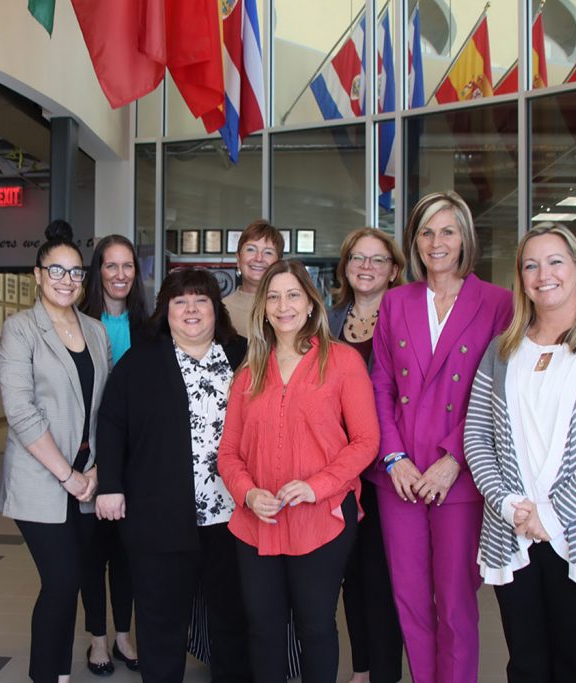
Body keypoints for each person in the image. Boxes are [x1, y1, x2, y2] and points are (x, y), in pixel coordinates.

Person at [464, 223, 576, 683]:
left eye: (555, 261)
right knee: (525, 665)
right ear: (521, 279)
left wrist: (554, 512)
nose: (543, 274)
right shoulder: (502, 350)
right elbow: (476, 437)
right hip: (515, 531)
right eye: (530, 265)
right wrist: (506, 503)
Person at [370, 191, 512, 683]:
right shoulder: (395, 301)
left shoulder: (497, 303)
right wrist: (393, 458)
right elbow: (382, 385)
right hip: (402, 478)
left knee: (455, 603)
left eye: (448, 231)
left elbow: (498, 392)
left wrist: (454, 459)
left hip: (460, 475)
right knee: (409, 600)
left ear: (465, 238)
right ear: (414, 241)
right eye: (427, 232)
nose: (436, 242)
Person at [218, 260, 380, 683]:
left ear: (311, 303)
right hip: (258, 521)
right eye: (273, 296)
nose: (282, 305)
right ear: (263, 307)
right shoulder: (249, 373)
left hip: (321, 519)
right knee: (264, 629)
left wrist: (316, 487)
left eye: (293, 295)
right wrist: (247, 493)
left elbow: (366, 441)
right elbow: (229, 453)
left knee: (315, 625)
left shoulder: (343, 362)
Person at [96, 268, 250, 683]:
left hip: (233, 516)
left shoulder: (243, 355)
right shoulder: (142, 360)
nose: (191, 309)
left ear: (217, 309)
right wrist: (109, 485)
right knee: (161, 619)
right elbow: (111, 423)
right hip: (159, 517)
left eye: (201, 300)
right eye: (180, 301)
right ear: (165, 310)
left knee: (232, 618)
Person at [0, 220, 111, 683]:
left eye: (76, 272)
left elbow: (107, 408)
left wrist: (100, 468)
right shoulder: (21, 329)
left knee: (76, 582)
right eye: (57, 271)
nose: (67, 281)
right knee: (61, 582)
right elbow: (21, 412)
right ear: (38, 275)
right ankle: (48, 675)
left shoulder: (96, 330)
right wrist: (68, 475)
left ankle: (60, 673)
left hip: (90, 476)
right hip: (44, 477)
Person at [327, 227, 405, 683]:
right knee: (350, 575)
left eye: (378, 259)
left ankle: (385, 672)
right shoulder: (329, 320)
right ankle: (361, 669)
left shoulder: (407, 320)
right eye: (358, 257)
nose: (366, 266)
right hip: (340, 468)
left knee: (383, 578)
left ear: (394, 270)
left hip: (389, 469)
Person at [79, 234, 146, 673]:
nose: (119, 275)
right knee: (92, 554)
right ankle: (97, 640)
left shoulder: (149, 325)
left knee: (127, 554)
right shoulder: (80, 322)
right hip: (87, 457)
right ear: (97, 270)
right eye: (110, 265)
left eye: (127, 266)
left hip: (135, 459)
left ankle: (125, 635)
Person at [222, 219, 284, 337]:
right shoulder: (220, 310)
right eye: (251, 249)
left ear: (278, 262)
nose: (259, 258)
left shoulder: (288, 308)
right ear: (238, 259)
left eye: (268, 252)